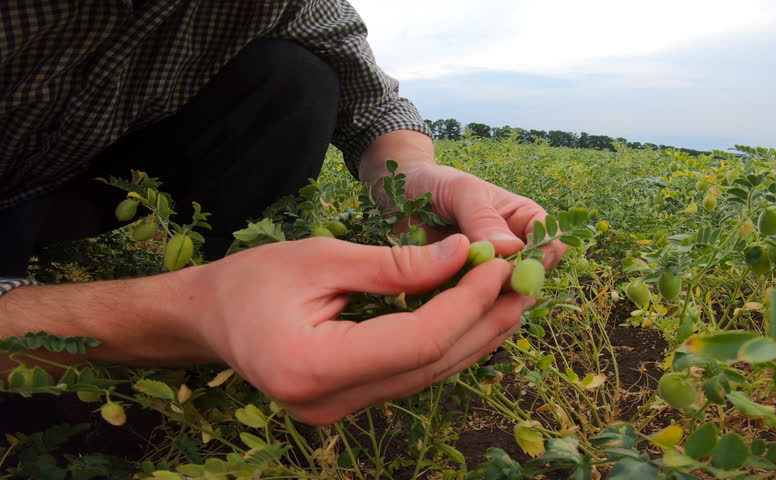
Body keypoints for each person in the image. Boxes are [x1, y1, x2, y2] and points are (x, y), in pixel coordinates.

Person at [0, 1, 566, 425]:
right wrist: (173, 316)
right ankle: (225, 311)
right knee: (33, 421)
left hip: (65, 176)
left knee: (295, 74)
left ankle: (247, 280)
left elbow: (369, 101)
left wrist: (411, 178)